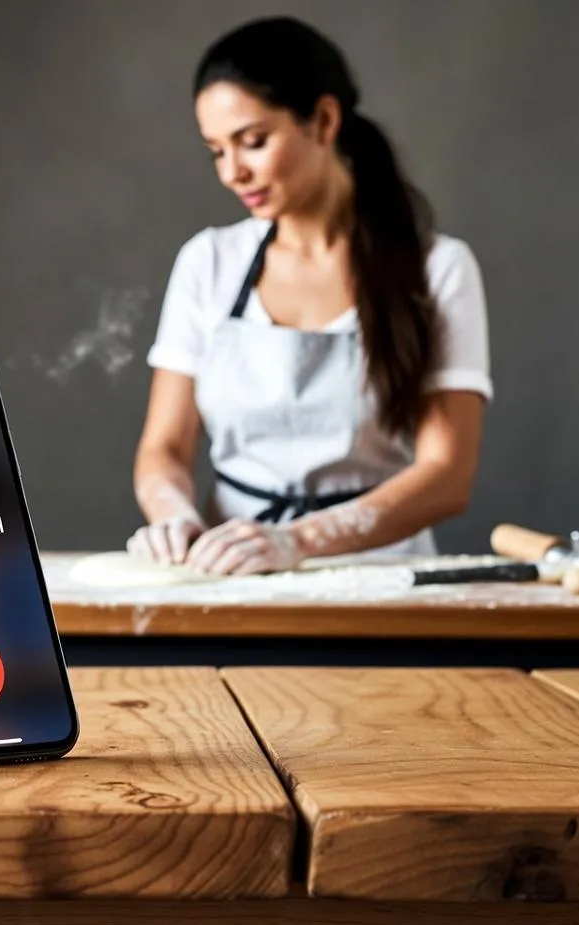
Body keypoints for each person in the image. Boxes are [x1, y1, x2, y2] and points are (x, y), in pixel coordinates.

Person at [127, 17, 492, 576]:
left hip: (381, 576)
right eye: (216, 152)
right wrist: (170, 513)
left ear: (323, 120)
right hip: (230, 576)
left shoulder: (438, 269)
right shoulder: (208, 263)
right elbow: (165, 449)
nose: (233, 172)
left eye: (253, 142)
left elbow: (448, 473)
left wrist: (296, 542)